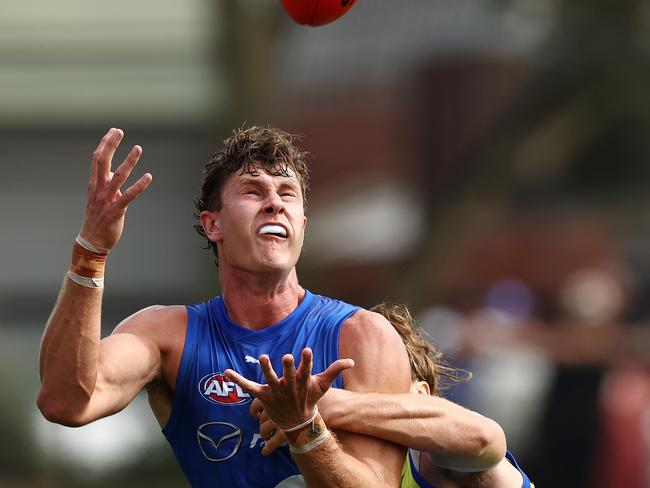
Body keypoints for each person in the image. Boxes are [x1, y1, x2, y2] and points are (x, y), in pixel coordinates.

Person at [37, 126, 413, 487]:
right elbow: (64, 402)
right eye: (253, 191)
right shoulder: (168, 335)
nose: (274, 203)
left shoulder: (364, 336)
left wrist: (303, 428)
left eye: (287, 193)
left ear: (302, 223)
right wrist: (91, 250)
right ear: (213, 225)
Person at [245, 303, 534, 488]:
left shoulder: (431, 459)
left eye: (379, 392)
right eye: (346, 386)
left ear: (422, 395)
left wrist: (331, 405)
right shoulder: (326, 464)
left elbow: (483, 438)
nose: (356, 397)